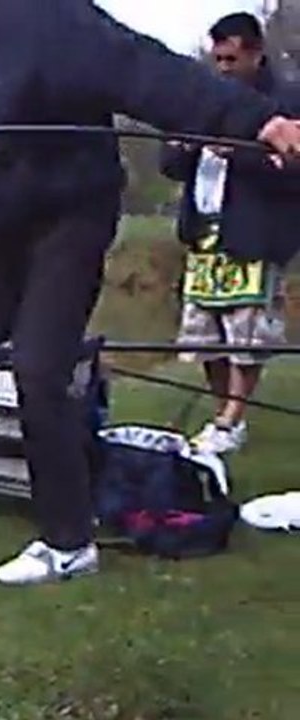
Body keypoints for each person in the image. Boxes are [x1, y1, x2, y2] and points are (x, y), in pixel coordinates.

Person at [0, 0, 300, 587]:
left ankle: (68, 543)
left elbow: (150, 72)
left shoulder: (47, 18)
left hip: (73, 218)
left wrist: (258, 121)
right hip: (5, 228)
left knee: (38, 368)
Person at [161, 12, 300, 455]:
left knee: (247, 334)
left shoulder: (287, 101)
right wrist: (183, 146)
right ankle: (223, 415)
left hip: (256, 233)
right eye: (216, 58)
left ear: (255, 53)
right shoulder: (204, 95)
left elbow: (292, 171)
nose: (222, 68)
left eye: (231, 59)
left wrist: (237, 154)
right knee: (207, 334)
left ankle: (232, 418)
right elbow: (169, 163)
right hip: (205, 231)